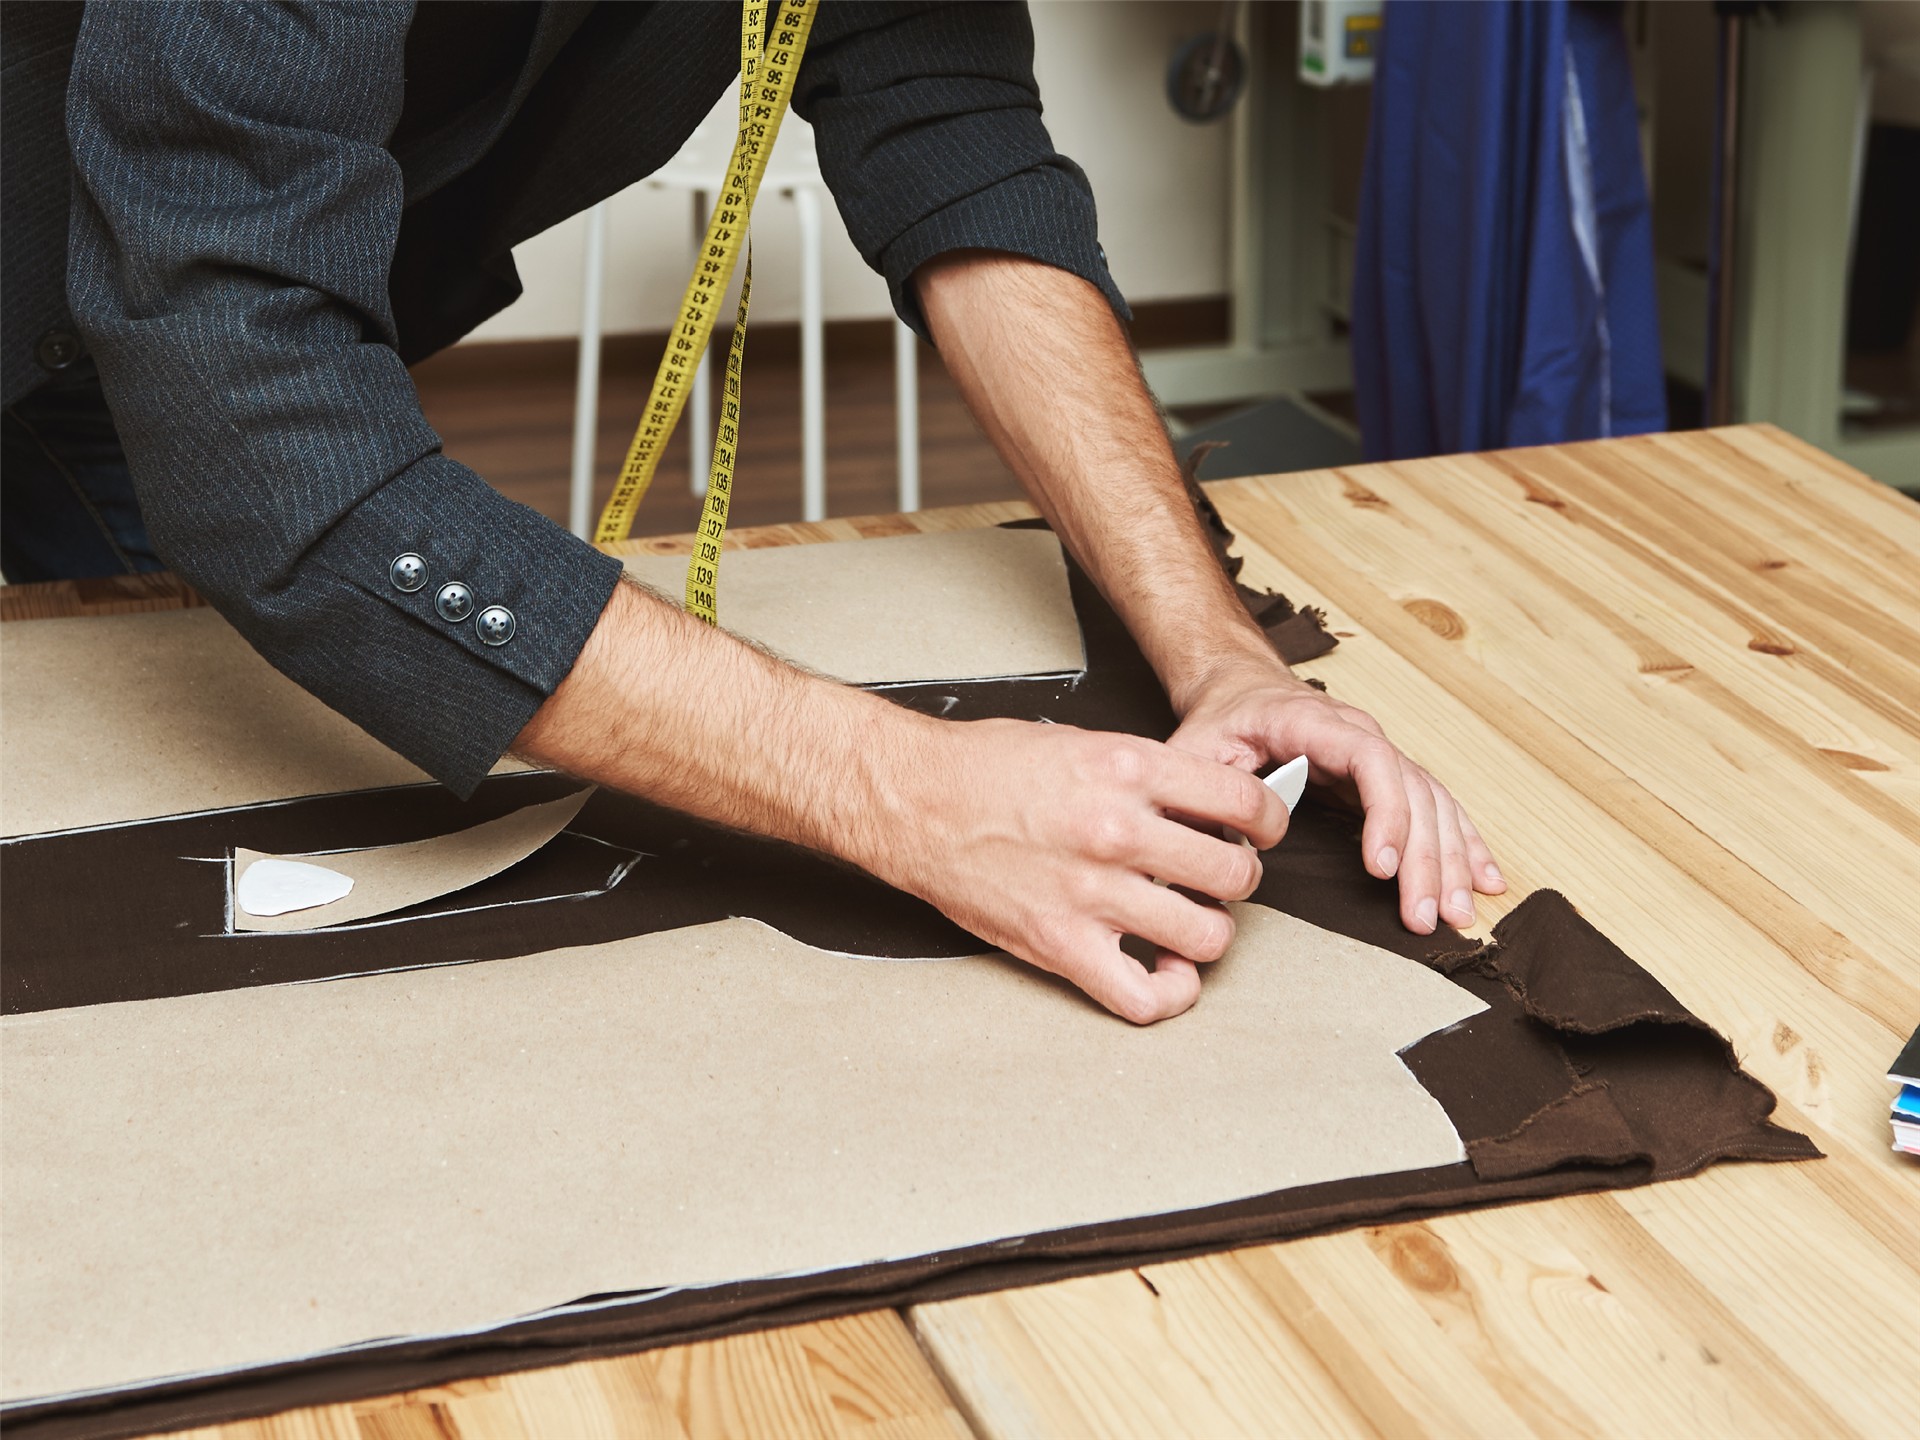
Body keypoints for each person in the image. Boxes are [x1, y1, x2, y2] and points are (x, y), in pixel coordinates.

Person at [2, 1, 1502, 1023]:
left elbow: (955, 131)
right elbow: (259, 436)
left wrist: (1216, 652)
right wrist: (904, 792)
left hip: (120, 333)